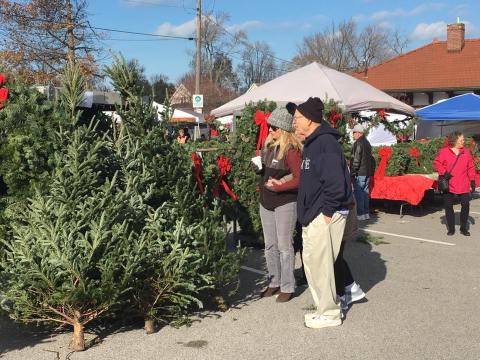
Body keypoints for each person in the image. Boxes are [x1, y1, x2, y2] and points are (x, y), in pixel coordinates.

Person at [291, 97, 353, 329]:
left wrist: (326, 214)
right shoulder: (313, 143)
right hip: (314, 214)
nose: (294, 123)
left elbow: (335, 183)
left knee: (321, 265)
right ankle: (323, 310)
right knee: (313, 263)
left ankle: (329, 313)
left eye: (297, 118)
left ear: (309, 119)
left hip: (324, 214)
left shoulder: (325, 143)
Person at [256, 107, 302, 303]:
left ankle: (287, 286)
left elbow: (300, 179)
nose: (270, 131)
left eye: (273, 128)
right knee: (270, 245)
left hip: (284, 202)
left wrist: (280, 186)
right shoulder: (269, 147)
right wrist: (258, 167)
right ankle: (274, 281)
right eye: (269, 127)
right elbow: (266, 173)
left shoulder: (291, 151)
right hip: (266, 202)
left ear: (283, 129)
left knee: (284, 246)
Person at [433, 131, 476, 236]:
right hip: (449, 183)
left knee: (465, 204)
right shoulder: (444, 151)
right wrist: (444, 172)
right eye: (461, 139)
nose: (463, 141)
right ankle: (451, 228)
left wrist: (472, 180)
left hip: (463, 183)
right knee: (448, 206)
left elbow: (470, 167)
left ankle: (463, 228)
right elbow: (436, 163)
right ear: (455, 140)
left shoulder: (465, 152)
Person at [350, 124, 373, 221]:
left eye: (353, 133)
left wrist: (353, 172)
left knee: (359, 194)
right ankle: (366, 213)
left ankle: (360, 214)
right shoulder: (367, 143)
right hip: (367, 172)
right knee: (365, 194)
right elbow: (371, 159)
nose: (352, 135)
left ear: (358, 133)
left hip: (359, 173)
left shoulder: (358, 143)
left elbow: (356, 160)